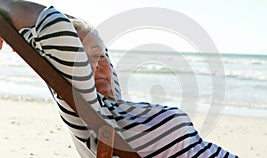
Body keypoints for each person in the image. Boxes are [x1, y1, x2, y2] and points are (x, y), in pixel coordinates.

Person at [0, 1, 238, 157]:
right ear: (71, 64)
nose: (104, 65)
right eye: (88, 58)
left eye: (103, 55)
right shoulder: (90, 111)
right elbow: (54, 26)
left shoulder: (115, 110)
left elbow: (78, 35)